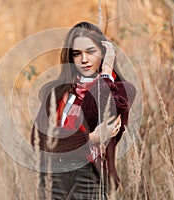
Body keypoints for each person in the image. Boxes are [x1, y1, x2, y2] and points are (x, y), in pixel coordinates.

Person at [31, 21, 136, 200]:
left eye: (90, 52)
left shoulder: (122, 91)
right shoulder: (56, 92)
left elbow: (99, 111)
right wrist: (91, 138)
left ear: (103, 53)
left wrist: (106, 72)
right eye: (77, 54)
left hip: (88, 175)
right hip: (53, 176)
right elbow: (40, 140)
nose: (84, 59)